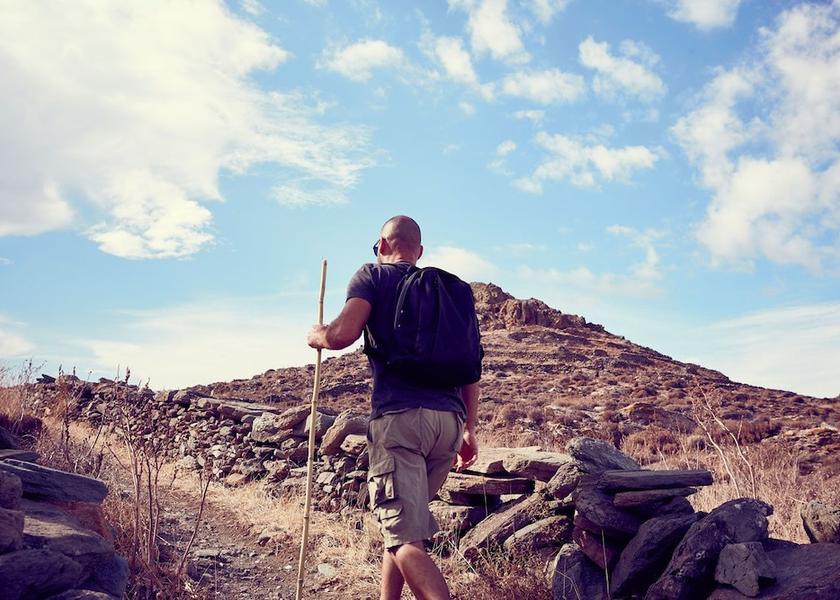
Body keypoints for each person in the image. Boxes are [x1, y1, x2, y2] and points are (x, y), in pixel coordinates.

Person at [307, 215, 480, 600]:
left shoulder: (373, 276)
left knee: (404, 540)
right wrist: (469, 429)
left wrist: (318, 335)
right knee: (401, 530)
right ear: (418, 252)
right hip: (448, 426)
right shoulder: (450, 293)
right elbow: (471, 366)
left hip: (401, 422)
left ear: (382, 245)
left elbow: (342, 335)